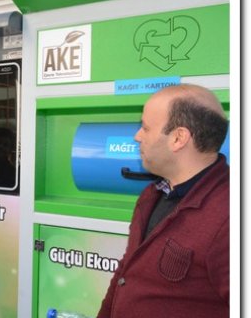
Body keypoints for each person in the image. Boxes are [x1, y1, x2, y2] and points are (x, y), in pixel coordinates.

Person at [98, 84, 229, 318]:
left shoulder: (230, 216)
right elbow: (124, 276)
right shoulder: (151, 195)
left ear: (178, 138)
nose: (137, 136)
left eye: (145, 128)